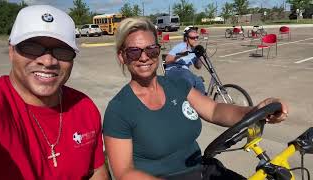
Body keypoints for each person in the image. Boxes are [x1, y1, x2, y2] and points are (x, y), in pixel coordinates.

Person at [103, 17, 289, 180]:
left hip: (200, 170)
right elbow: (124, 173)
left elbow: (215, 110)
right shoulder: (119, 110)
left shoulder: (176, 85)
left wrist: (256, 110)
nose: (144, 57)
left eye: (151, 50)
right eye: (134, 51)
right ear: (122, 56)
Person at [0, 5, 109, 179]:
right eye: (32, 47)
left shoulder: (84, 107)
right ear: (11, 50)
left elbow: (96, 172)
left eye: (62, 51)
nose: (48, 61)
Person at [164, 26, 205, 94]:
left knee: (199, 83)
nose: (195, 39)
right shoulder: (181, 46)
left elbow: (198, 67)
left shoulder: (195, 50)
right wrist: (181, 55)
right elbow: (167, 60)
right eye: (192, 38)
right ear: (186, 38)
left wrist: (199, 56)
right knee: (189, 80)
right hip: (173, 70)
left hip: (185, 71)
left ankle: (200, 102)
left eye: (196, 37)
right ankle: (186, 102)